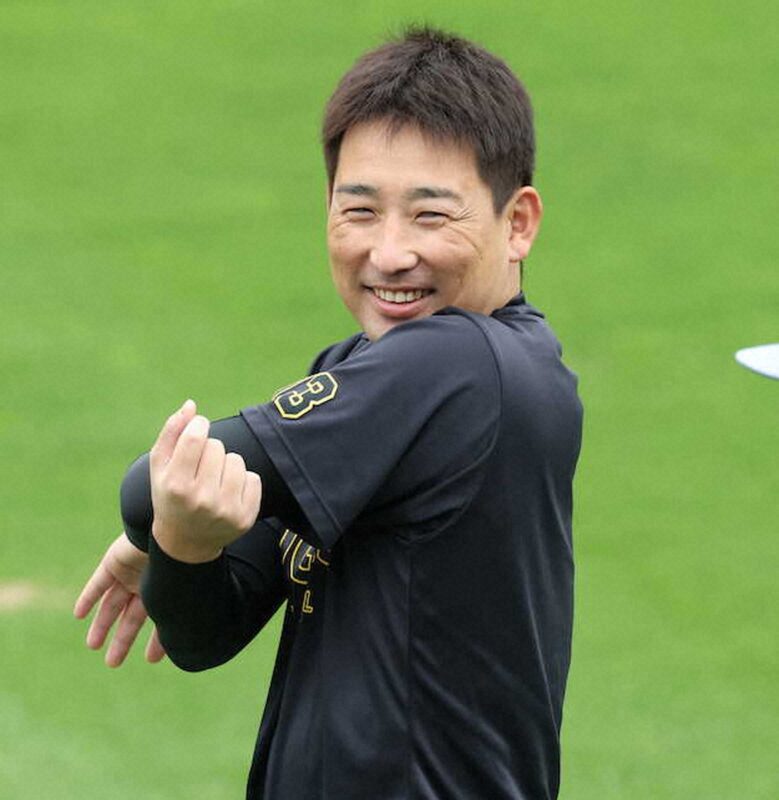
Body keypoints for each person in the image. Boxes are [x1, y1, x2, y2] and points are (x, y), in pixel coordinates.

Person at [75, 27, 583, 800]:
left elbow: (151, 482)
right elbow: (206, 632)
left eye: (429, 216)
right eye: (360, 211)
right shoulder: (384, 371)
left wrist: (157, 515)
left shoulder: (458, 366)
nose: (389, 252)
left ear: (516, 223)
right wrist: (182, 540)